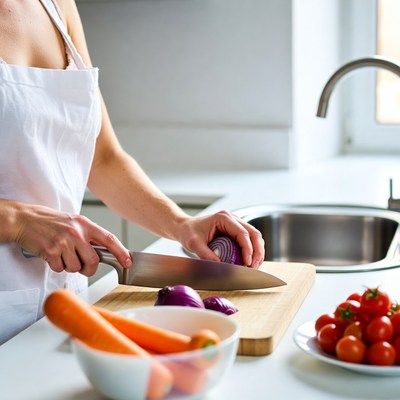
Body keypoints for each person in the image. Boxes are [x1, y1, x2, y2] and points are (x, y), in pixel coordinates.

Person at [0, 0, 264, 345]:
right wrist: (17, 220)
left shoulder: (56, 5)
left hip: (63, 311)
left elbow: (104, 159)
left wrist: (180, 223)